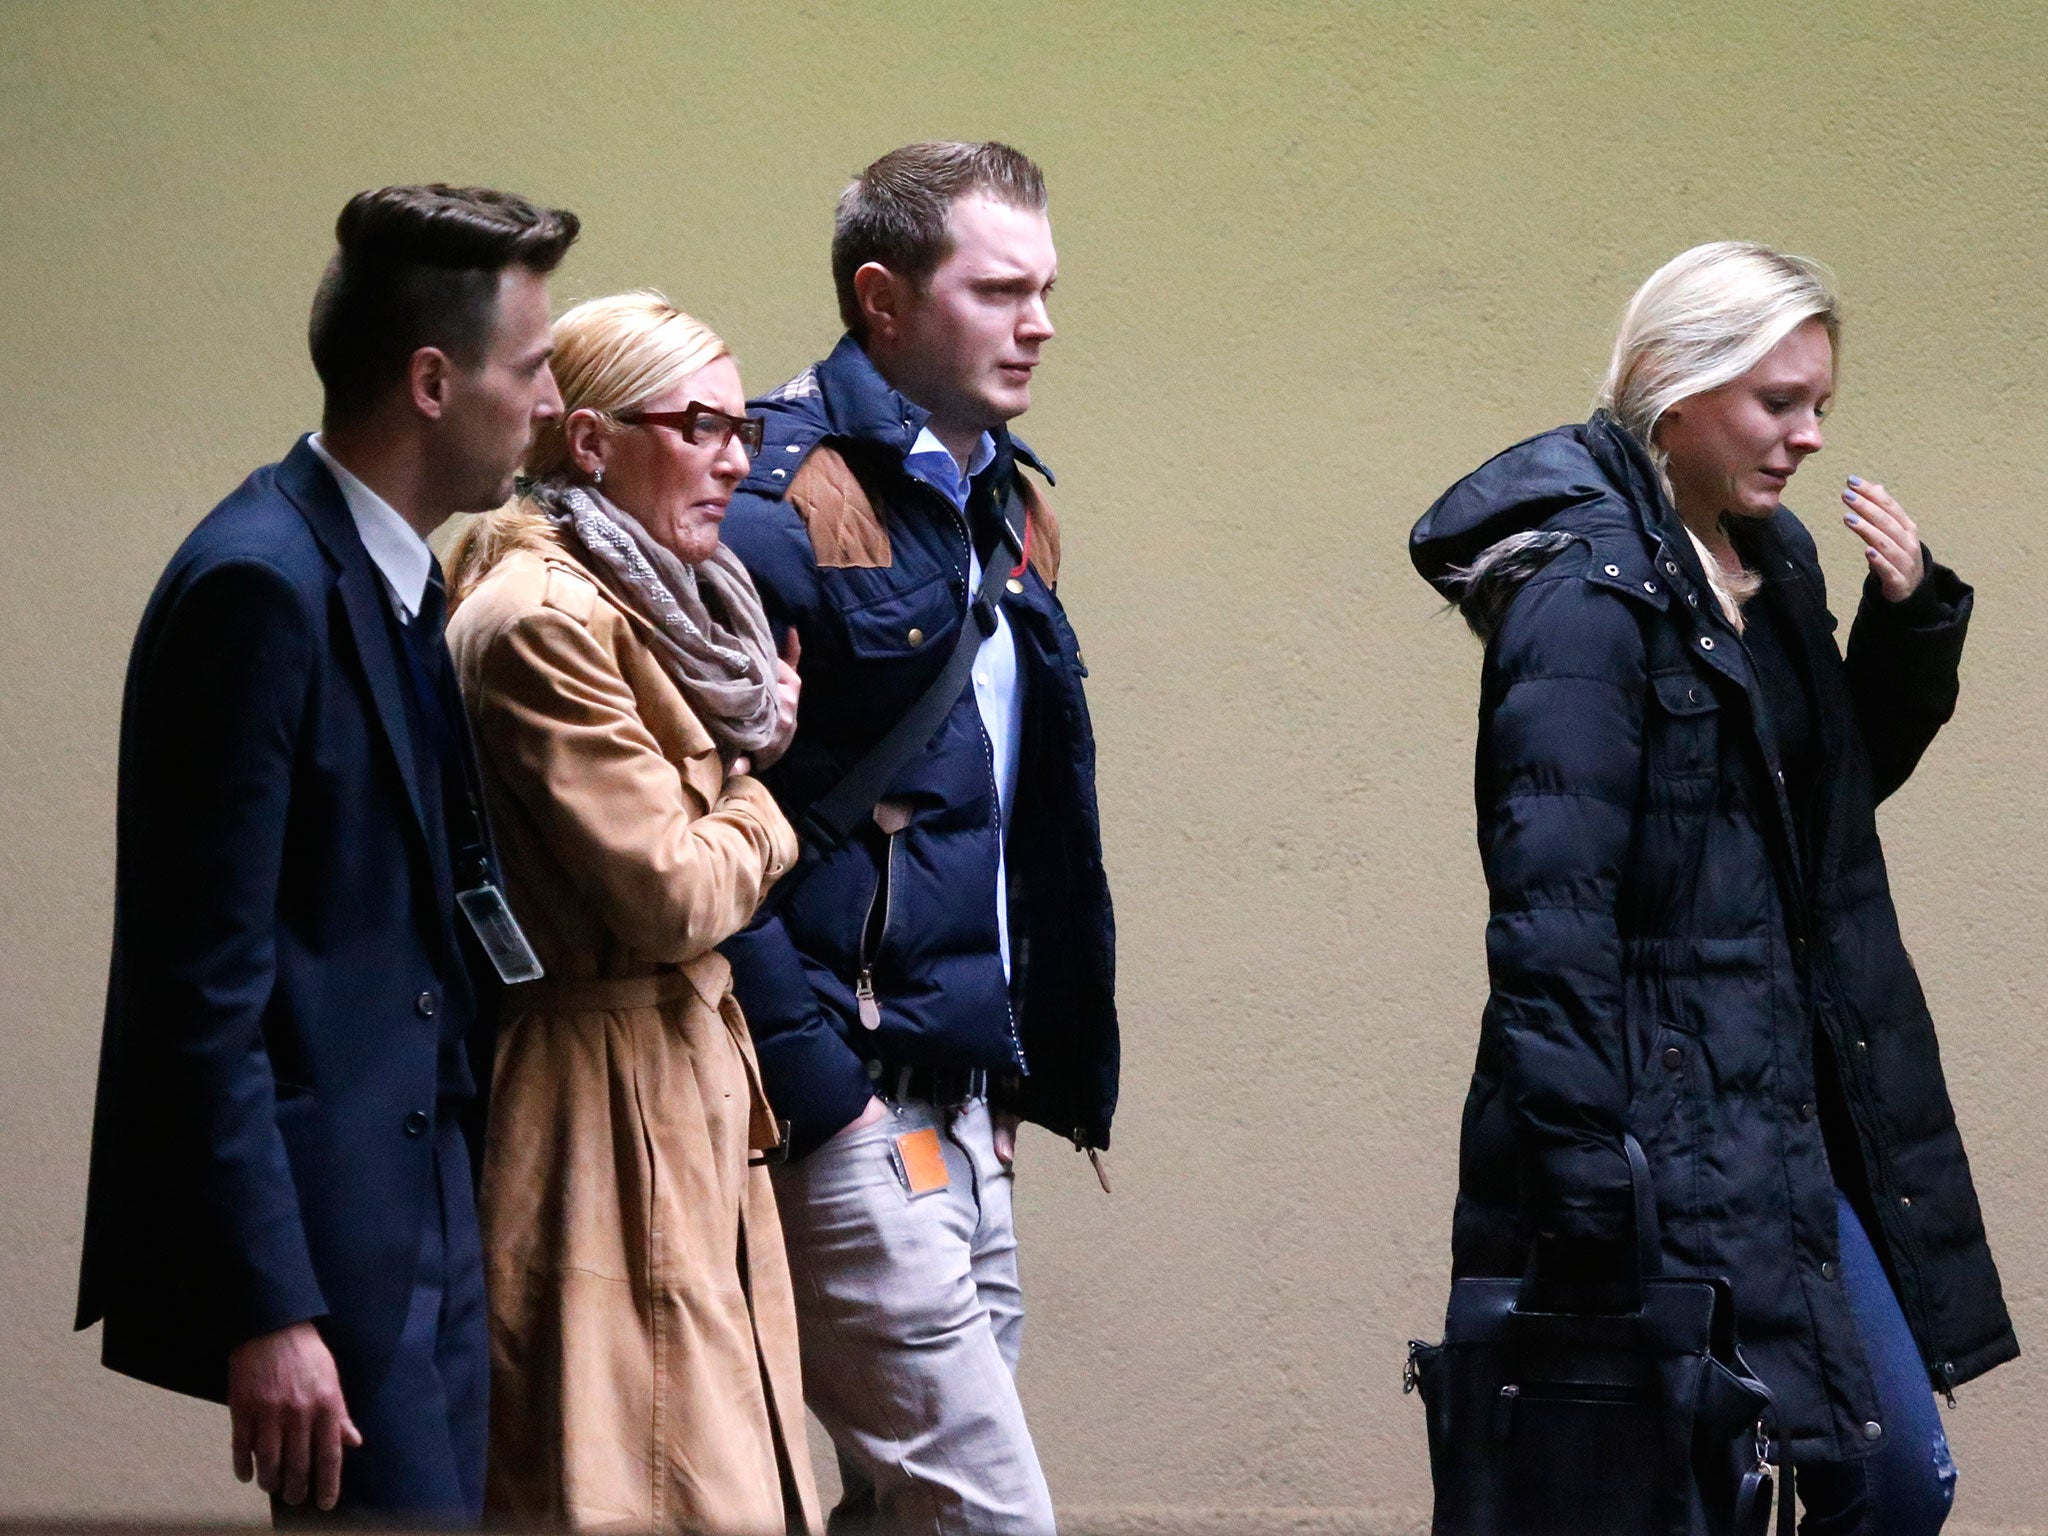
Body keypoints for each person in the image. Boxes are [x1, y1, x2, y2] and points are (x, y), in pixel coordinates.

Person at [1409, 241, 2016, 1534]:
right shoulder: (1585, 595)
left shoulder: (1768, 560)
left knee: (1873, 1477)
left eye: (1818, 409)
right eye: (1775, 401)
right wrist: (1587, 1184)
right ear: (1676, 390)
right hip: (1659, 1127)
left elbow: (1812, 805)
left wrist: (1908, 625)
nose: (1802, 436)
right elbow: (1549, 917)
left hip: (1782, 1108)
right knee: (1779, 1484)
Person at [75, 184, 579, 1523]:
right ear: (431, 379)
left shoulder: (398, 574)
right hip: (331, 1257)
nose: (546, 403)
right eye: (528, 368)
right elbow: (202, 990)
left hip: (428, 1210)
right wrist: (270, 1309)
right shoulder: (259, 583)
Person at [718, 141, 1119, 1535]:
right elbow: (704, 821)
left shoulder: (1011, 505)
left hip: (958, 1093)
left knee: (908, 1513)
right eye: (1001, 289)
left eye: (1048, 288)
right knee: (989, 1518)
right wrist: (816, 1092)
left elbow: (1008, 821)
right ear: (881, 299)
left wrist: (1000, 1075)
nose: (1042, 323)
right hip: (844, 1097)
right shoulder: (773, 505)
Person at [442, 292, 820, 1536]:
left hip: (680, 1085)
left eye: (743, 424)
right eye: (701, 424)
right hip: (597, 1103)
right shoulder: (542, 621)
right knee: (639, 1484)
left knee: (708, 1472)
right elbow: (669, 894)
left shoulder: (670, 606)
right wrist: (768, 805)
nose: (737, 458)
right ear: (593, 441)